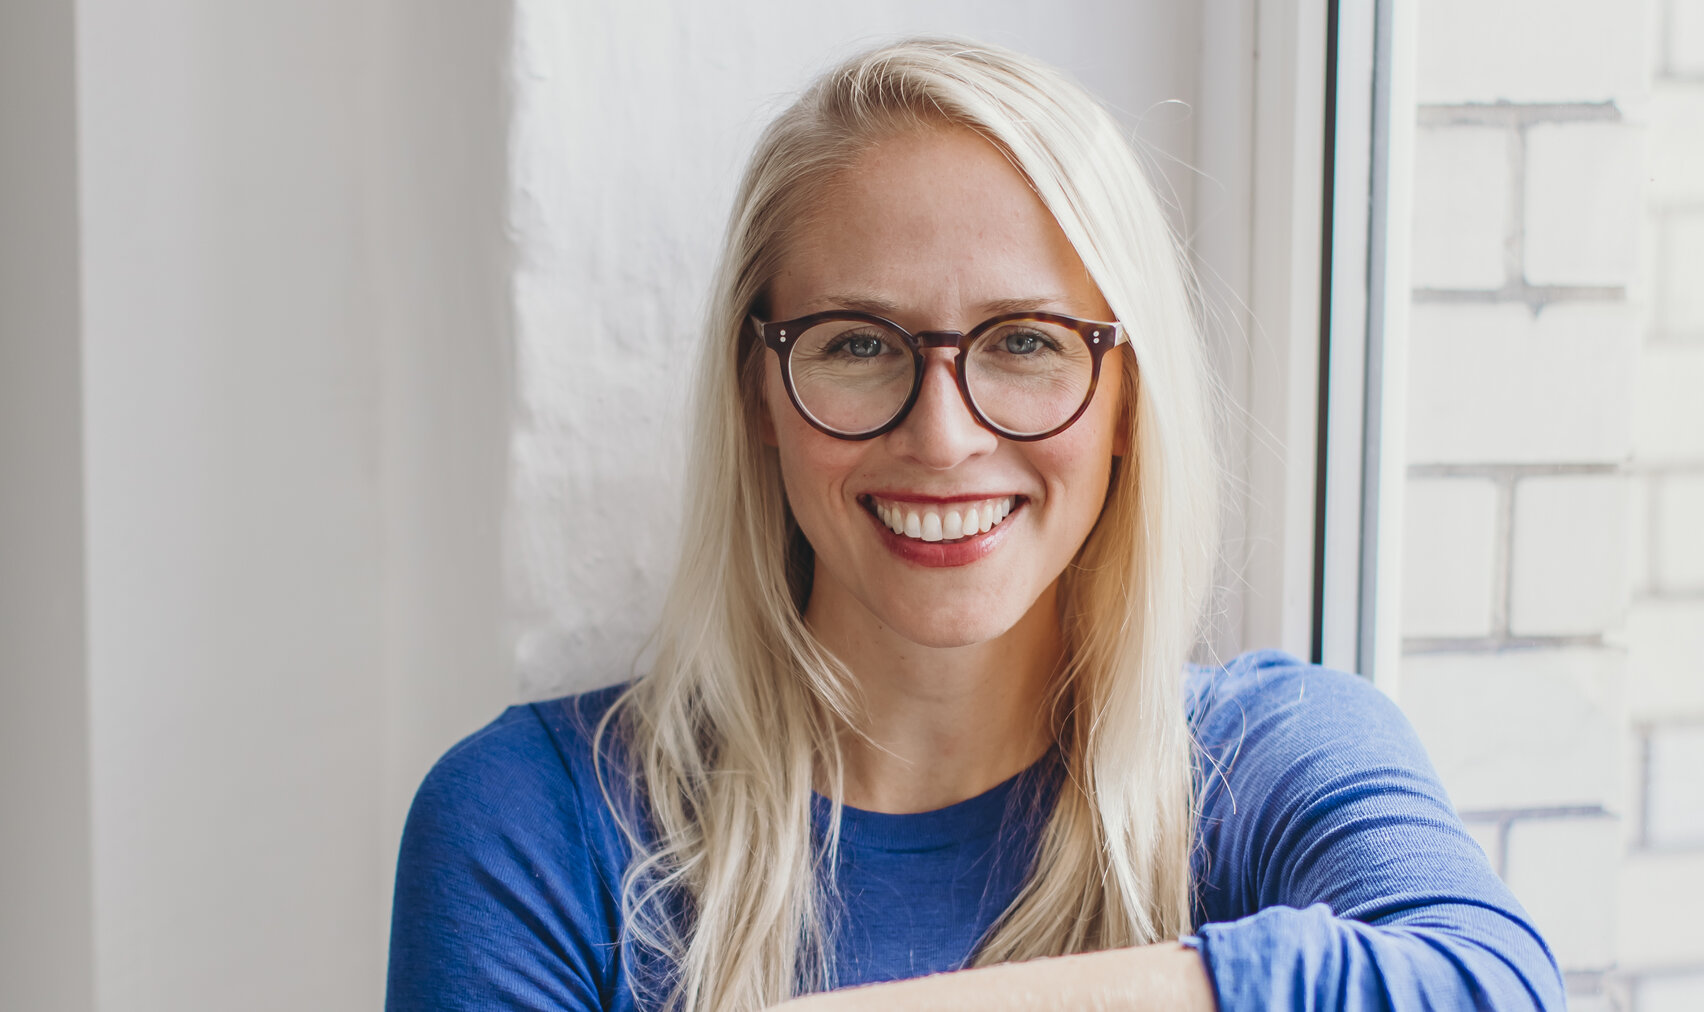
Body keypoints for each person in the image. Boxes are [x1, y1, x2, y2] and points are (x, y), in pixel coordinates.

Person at [385, 38, 1564, 1012]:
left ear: (1125, 400)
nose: (943, 436)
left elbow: (1486, 985)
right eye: (856, 343)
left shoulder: (1269, 761)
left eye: (1025, 343)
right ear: (756, 391)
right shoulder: (535, 824)